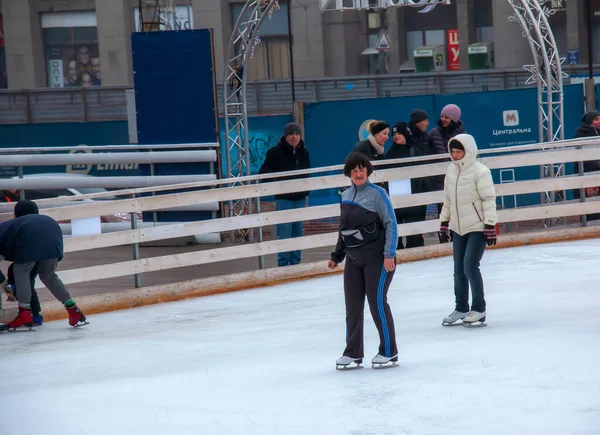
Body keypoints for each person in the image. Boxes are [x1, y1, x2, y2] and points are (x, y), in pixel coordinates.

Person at [328, 152, 399, 369]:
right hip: (353, 259)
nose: (358, 173)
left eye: (362, 169)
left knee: (377, 303)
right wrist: (337, 255)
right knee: (353, 307)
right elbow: (344, 230)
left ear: (368, 171)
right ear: (348, 173)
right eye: (354, 170)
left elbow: (391, 224)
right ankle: (353, 353)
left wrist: (389, 254)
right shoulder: (346, 195)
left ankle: (388, 351)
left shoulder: (378, 194)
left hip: (377, 258)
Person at [438, 134, 497, 327]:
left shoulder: (481, 171)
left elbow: (488, 199)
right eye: (452, 152)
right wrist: (444, 222)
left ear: (468, 151)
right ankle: (461, 308)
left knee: (470, 266)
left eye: (458, 151)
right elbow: (447, 199)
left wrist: (489, 225)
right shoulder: (450, 170)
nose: (455, 155)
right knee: (458, 270)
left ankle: (479, 309)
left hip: (478, 227)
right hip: (458, 227)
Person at [0, 200, 88, 329]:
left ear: (15, 214)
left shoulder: (7, 227)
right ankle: (73, 309)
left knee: (20, 271)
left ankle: (24, 313)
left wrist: (5, 285)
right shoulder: (43, 219)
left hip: (29, 241)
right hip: (53, 238)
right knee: (48, 276)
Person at [259, 122, 311, 267]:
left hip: (300, 199)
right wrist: (281, 185)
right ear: (285, 136)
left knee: (297, 233)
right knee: (284, 233)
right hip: (284, 200)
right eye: (291, 134)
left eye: (297, 133)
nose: (294, 137)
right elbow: (263, 175)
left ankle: (295, 264)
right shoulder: (274, 153)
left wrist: (304, 189)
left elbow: (307, 173)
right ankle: (283, 265)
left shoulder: (304, 153)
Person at [385, 121, 435, 249]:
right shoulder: (389, 154)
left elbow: (424, 173)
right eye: (394, 134)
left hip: (415, 199)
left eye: (399, 133)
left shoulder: (415, 151)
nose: (396, 136)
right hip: (396, 201)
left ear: (406, 134)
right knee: (397, 236)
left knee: (415, 234)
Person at [1, 200, 43, 325]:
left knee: (22, 280)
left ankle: (28, 312)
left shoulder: (18, 226)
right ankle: (34, 314)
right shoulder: (37, 225)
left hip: (26, 258)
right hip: (39, 257)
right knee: (28, 282)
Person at [571, 110, 600, 221]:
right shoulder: (581, 135)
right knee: (590, 210)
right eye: (596, 119)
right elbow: (584, 161)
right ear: (589, 121)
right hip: (588, 177)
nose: (599, 121)